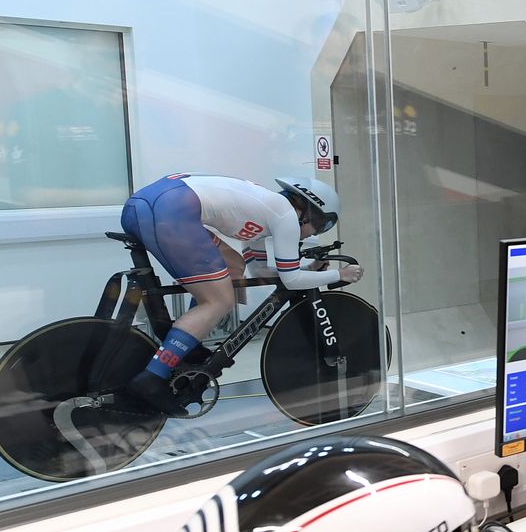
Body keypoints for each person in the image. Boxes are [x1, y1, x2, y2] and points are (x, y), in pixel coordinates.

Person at [118, 172, 360, 415]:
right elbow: (292, 278)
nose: (314, 233)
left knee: (233, 265)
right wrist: (340, 275)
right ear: (310, 211)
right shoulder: (285, 214)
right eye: (322, 224)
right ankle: (152, 378)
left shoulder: (267, 209)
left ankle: (187, 344)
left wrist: (307, 270)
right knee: (218, 301)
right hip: (168, 209)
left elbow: (259, 269)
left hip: (148, 204)